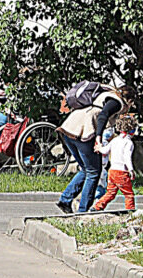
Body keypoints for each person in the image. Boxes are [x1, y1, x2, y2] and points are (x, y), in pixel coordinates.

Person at [56, 84, 132, 213]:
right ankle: (83, 211)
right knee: (94, 172)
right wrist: (98, 138)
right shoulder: (117, 102)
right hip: (83, 131)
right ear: (130, 101)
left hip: (68, 128)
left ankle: (65, 200)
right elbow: (103, 115)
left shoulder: (106, 95)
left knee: (87, 169)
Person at [93, 114, 137, 211]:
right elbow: (127, 157)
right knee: (129, 194)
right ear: (132, 130)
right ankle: (130, 210)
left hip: (112, 171)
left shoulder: (115, 140)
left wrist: (99, 148)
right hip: (122, 172)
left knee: (110, 193)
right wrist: (131, 170)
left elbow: (105, 151)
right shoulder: (128, 143)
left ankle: (97, 206)